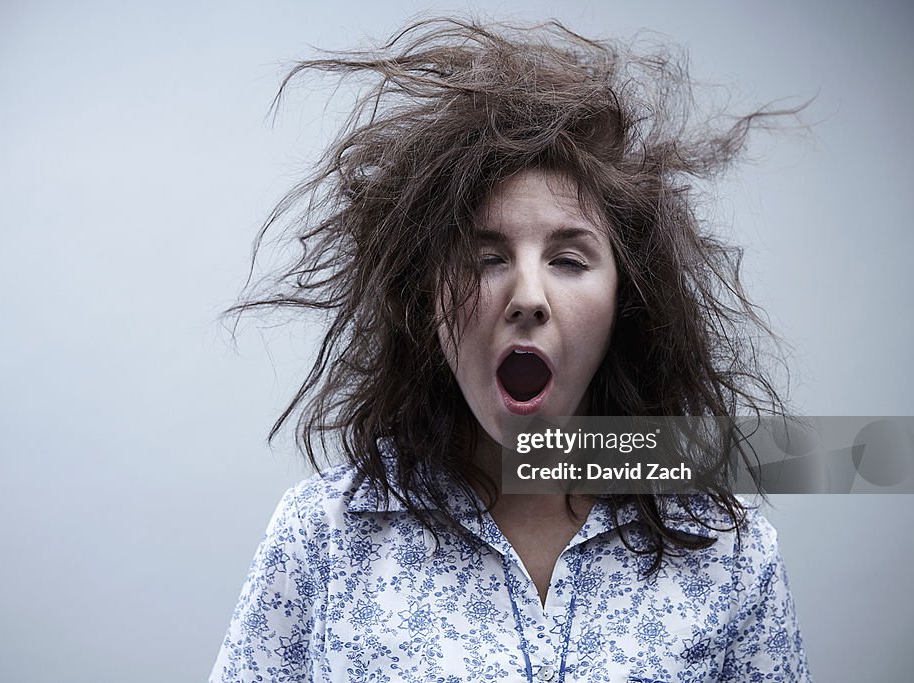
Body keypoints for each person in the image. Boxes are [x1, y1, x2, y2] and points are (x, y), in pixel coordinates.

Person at [209, 17, 810, 682]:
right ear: (426, 298)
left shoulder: (728, 548)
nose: (528, 295)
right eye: (485, 257)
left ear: (626, 303)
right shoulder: (322, 535)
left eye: (569, 259)